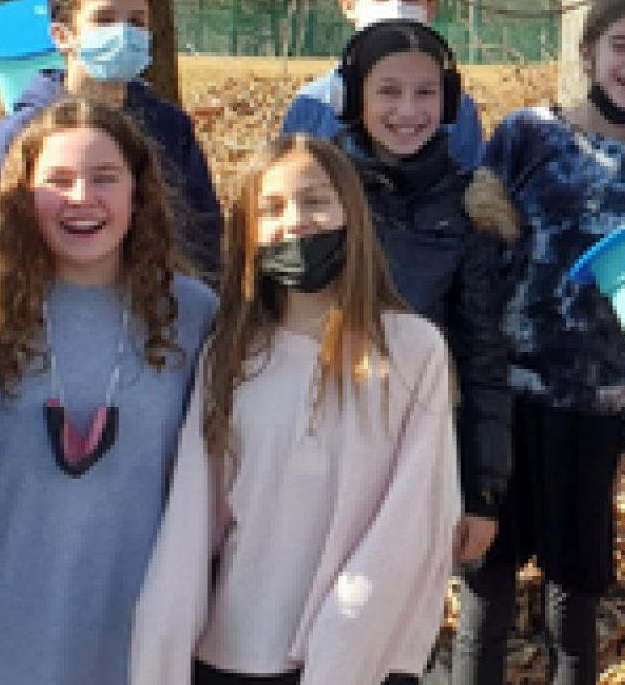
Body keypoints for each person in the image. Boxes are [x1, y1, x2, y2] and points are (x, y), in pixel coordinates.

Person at [130, 135, 460, 685]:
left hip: (360, 658)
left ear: (350, 212)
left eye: (315, 200)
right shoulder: (231, 354)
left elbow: (411, 525)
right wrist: (161, 656)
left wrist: (344, 643)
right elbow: (193, 519)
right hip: (234, 652)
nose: (296, 221)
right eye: (272, 208)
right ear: (249, 233)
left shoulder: (411, 351)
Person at [466, 0, 625, 685]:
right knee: (485, 588)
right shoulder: (525, 137)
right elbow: (475, 263)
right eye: (621, 45)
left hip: (594, 410)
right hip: (504, 401)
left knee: (573, 599)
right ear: (589, 51)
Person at [0, 96, 217, 685]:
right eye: (58, 180)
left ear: (139, 193)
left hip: (136, 637)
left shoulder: (192, 314)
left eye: (104, 177)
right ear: (25, 197)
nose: (82, 198)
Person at [330, 18, 515, 576]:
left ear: (449, 100)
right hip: (322, 447)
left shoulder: (470, 211)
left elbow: (483, 358)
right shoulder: (317, 192)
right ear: (353, 96)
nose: (408, 110)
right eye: (388, 91)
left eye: (425, 92)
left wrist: (483, 492)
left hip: (418, 452)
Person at [0, 0, 223, 279]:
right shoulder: (15, 134)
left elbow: (202, 235)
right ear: (62, 36)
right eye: (104, 20)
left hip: (157, 310)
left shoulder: (169, 126)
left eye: (136, 21)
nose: (123, 33)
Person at [281, 0, 484, 171]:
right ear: (348, 4)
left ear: (430, 7)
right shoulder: (313, 105)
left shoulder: (459, 110)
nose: (395, 5)